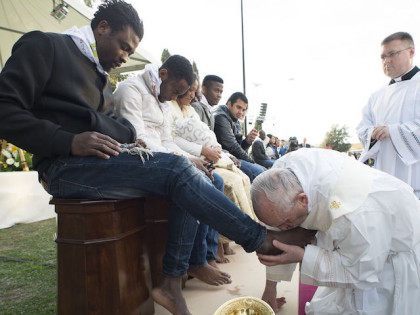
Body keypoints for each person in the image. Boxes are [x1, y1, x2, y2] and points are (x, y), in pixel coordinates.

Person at [0, 1, 316, 313]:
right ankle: (259, 240)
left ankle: (172, 281)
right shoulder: (45, 45)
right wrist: (69, 141)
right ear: (102, 27)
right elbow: (5, 110)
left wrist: (117, 134)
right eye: (123, 47)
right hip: (61, 166)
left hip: (94, 162)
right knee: (178, 170)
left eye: (129, 50)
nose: (124, 57)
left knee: (191, 178)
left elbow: (119, 128)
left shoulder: (99, 77)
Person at [251, 148, 420, 314]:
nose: (284, 230)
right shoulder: (279, 176)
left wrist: (303, 256)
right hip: (355, 240)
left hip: (386, 254)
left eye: (287, 224)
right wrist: (271, 287)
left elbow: (361, 271)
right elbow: (277, 229)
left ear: (302, 199)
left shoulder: (353, 215)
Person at [357, 32, 420, 198]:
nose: (387, 61)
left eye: (392, 54)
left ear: (411, 52)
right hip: (383, 179)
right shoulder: (377, 96)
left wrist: (393, 131)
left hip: (415, 179)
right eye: (383, 57)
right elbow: (362, 128)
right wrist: (373, 134)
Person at [214, 92, 266, 181]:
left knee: (263, 171)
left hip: (232, 156)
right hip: (223, 157)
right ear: (229, 104)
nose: (241, 112)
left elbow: (239, 147)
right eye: (238, 107)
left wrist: (247, 141)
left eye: (243, 109)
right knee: (261, 173)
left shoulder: (235, 120)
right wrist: (251, 161)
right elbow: (232, 147)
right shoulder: (221, 117)